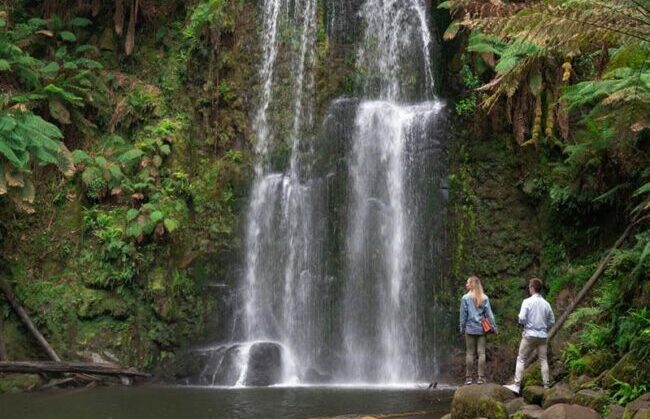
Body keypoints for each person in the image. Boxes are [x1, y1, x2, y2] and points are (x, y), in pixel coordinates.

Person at [504, 277, 555, 394]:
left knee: (521, 358)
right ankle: (546, 386)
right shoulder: (546, 304)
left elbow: (521, 318)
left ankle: (517, 385)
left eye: (529, 287)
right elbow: (552, 321)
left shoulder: (527, 302)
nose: (529, 288)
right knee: (543, 360)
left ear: (532, 288)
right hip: (542, 336)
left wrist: (527, 323)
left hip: (529, 335)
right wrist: (543, 326)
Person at [459, 275, 498, 385]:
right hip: (481, 329)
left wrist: (462, 328)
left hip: (470, 329)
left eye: (467, 283)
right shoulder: (484, 298)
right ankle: (481, 378)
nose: (466, 284)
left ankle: (469, 378)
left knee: (470, 353)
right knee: (481, 353)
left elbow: (463, 316)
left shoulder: (465, 298)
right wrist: (494, 328)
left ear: (472, 285)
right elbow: (489, 315)